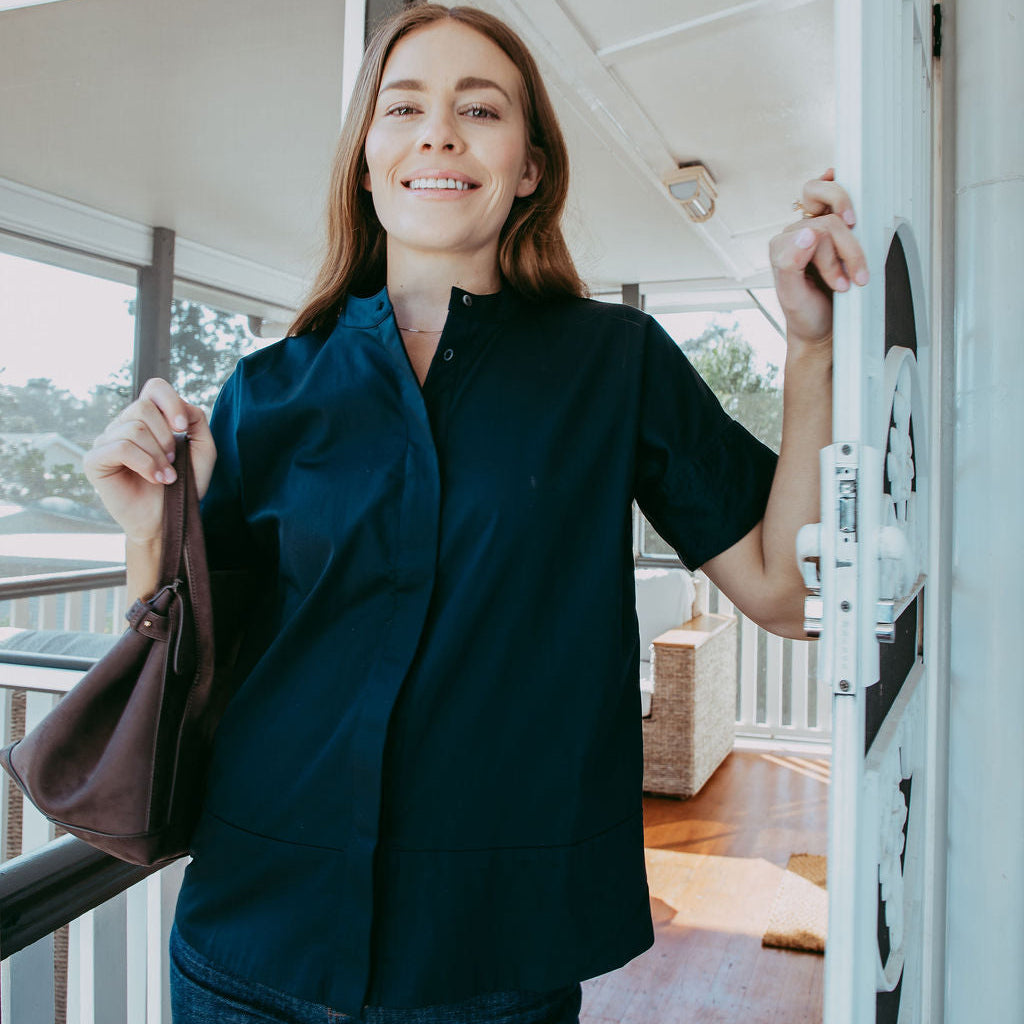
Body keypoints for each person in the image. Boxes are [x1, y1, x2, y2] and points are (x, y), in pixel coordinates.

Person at [84, 5, 868, 1023]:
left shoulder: (614, 363)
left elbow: (786, 590)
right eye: (402, 106)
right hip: (251, 934)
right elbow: (197, 662)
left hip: (490, 954)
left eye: (480, 108)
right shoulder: (266, 387)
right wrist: (147, 530)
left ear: (531, 166)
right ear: (367, 162)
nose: (438, 133)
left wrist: (812, 347)